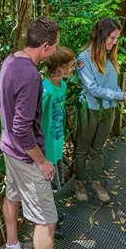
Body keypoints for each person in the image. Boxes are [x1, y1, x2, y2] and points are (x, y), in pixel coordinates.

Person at [0, 16, 60, 249]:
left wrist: (5, 123)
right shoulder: (30, 75)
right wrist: (42, 162)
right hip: (26, 157)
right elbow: (21, 128)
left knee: (12, 196)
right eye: (56, 45)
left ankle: (12, 247)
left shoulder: (11, 59)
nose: (57, 50)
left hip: (9, 149)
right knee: (47, 221)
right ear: (45, 47)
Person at [74, 18, 126, 203]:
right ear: (100, 35)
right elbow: (93, 89)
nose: (114, 42)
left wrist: (122, 93)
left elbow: (112, 85)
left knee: (98, 149)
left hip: (108, 109)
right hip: (90, 110)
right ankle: (79, 183)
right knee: (83, 149)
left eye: (117, 38)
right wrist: (120, 96)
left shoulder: (110, 57)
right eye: (111, 38)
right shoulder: (84, 58)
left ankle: (96, 182)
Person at [42, 46, 76, 238]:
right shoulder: (44, 90)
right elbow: (33, 121)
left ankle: (51, 214)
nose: (72, 69)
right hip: (44, 150)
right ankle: (49, 225)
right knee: (44, 189)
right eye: (70, 66)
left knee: (53, 187)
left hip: (56, 145)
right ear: (60, 67)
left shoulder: (62, 86)